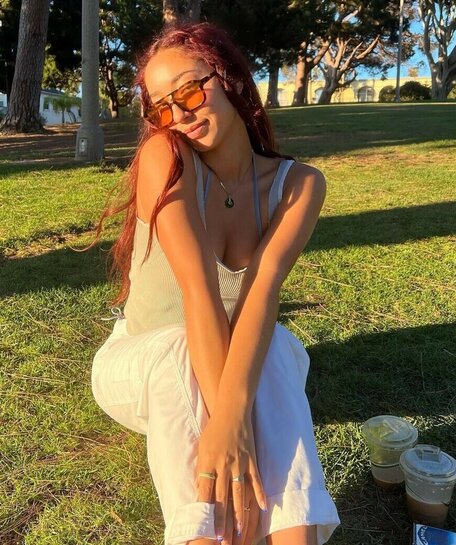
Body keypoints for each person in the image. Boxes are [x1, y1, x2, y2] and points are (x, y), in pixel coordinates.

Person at [91, 21, 340, 545]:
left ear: (229, 78)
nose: (178, 115)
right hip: (141, 364)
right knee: (182, 347)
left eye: (189, 90)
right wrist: (227, 427)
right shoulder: (166, 158)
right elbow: (199, 291)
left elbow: (261, 294)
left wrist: (231, 421)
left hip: (226, 364)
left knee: (273, 345)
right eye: (161, 108)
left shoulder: (299, 185)